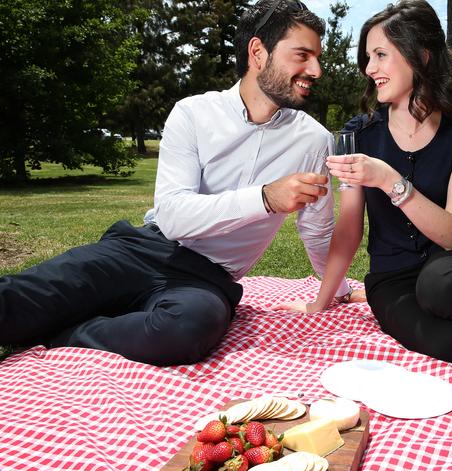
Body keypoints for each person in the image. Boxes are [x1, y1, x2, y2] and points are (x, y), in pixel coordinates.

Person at [0, 0, 356, 366]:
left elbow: (317, 232)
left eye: (317, 58)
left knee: (186, 330)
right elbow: (171, 216)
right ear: (258, 52)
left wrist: (339, 291)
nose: (316, 69)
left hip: (207, 279)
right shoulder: (193, 113)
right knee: (18, 299)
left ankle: (61, 335)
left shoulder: (313, 140)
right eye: (302, 55)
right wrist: (265, 198)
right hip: (144, 249)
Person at [276, 0, 452, 366]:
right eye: (368, 57)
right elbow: (349, 230)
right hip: (392, 279)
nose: (370, 68)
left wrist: (390, 179)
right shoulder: (358, 136)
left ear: (421, 56)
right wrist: (321, 300)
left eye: (381, 55)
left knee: (441, 284)